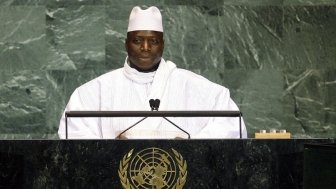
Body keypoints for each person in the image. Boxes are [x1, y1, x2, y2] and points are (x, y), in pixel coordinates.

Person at [58, 6, 247, 139]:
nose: (146, 48)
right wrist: (110, 150)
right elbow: (72, 134)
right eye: (138, 41)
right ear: (126, 44)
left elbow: (232, 126)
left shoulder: (194, 85)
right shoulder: (95, 91)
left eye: (153, 41)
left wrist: (192, 146)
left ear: (163, 45)